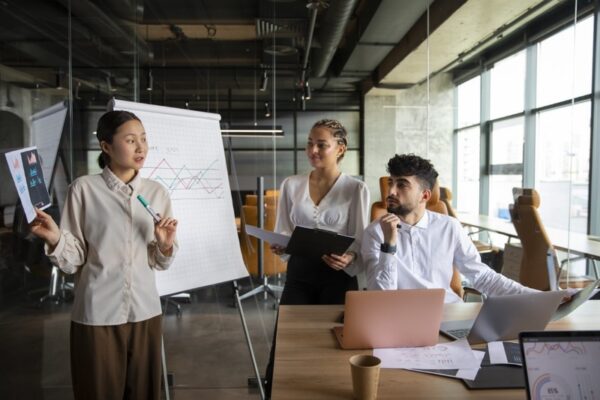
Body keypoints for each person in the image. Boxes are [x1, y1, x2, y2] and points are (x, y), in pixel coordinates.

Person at [29, 110, 178, 400]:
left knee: (144, 393)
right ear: (106, 146)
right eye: (131, 140)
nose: (141, 148)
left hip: (145, 312)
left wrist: (165, 245)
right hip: (98, 314)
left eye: (144, 140)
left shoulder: (157, 193)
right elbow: (74, 259)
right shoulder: (84, 189)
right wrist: (56, 237)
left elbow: (161, 262)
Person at [362, 153, 538, 303]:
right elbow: (380, 298)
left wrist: (536, 298)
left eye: (401, 184)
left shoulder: (449, 227)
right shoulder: (375, 232)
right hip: (399, 318)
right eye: (390, 183)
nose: (391, 191)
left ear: (425, 195)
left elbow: (484, 277)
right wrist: (389, 245)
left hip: (446, 313)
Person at [271, 118, 370, 305]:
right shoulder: (291, 184)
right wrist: (282, 244)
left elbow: (360, 237)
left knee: (335, 333)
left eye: (321, 145)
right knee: (291, 332)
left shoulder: (356, 188)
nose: (312, 151)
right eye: (309, 143)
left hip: (338, 274)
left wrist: (350, 257)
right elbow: (283, 229)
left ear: (340, 149)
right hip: (299, 273)